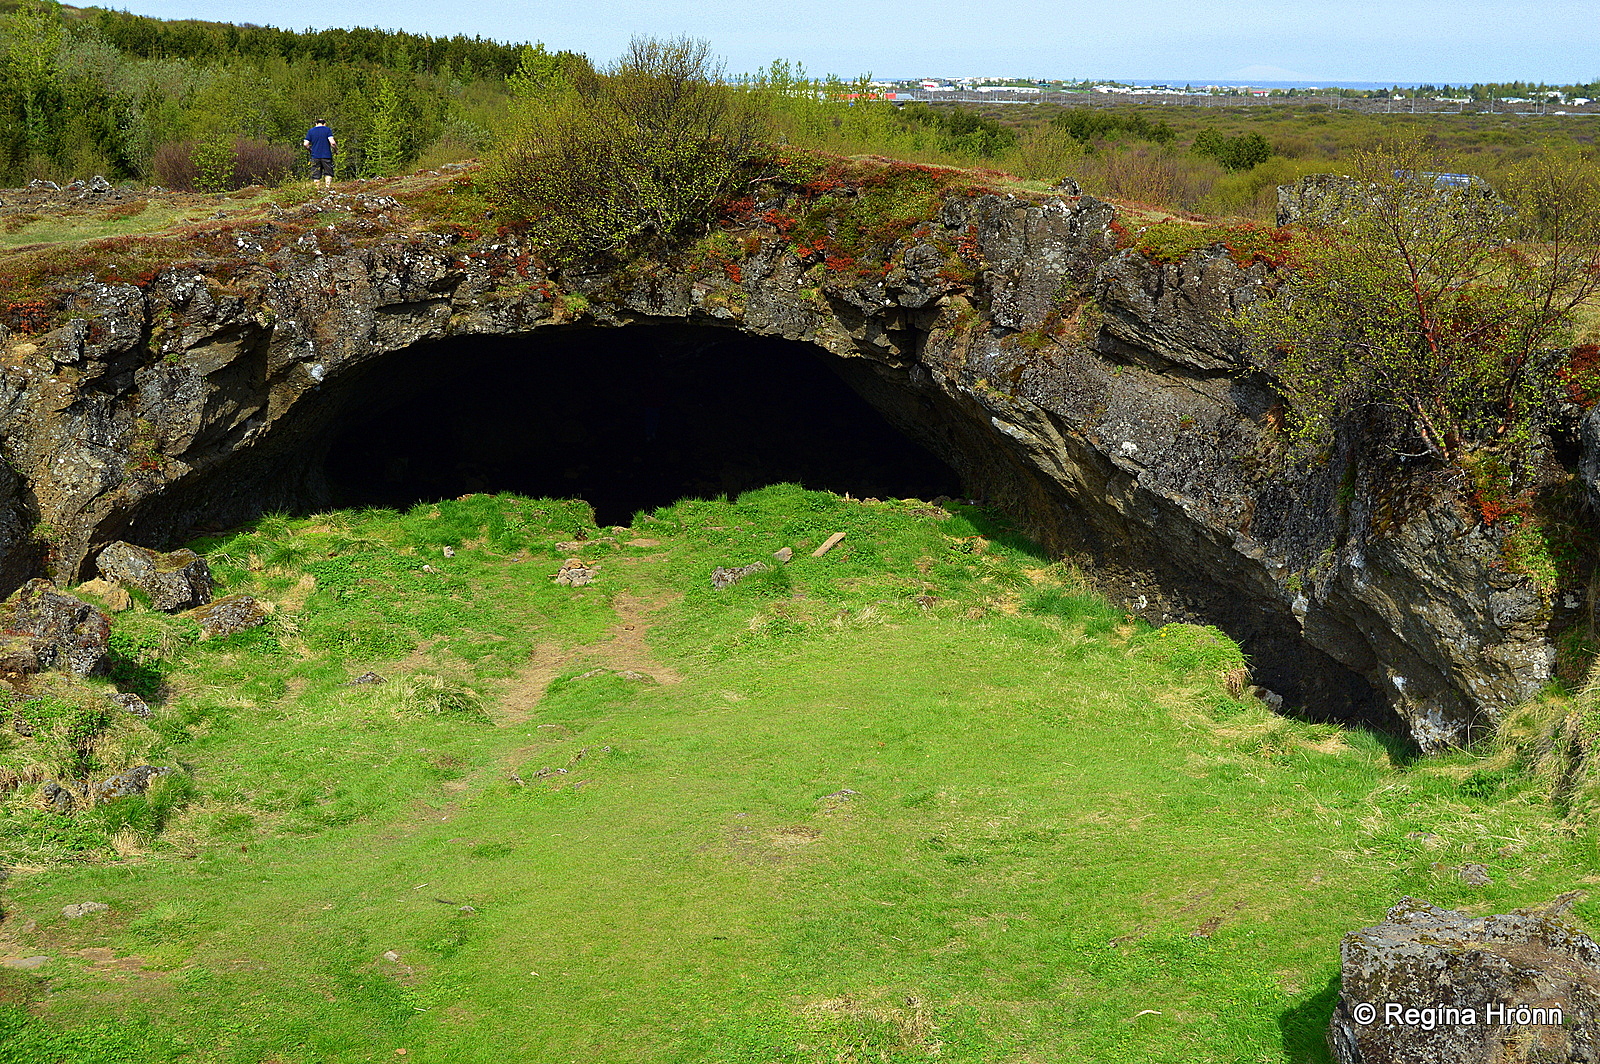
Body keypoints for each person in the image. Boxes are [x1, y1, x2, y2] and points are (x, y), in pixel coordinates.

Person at [303, 120, 336, 188]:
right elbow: (332, 143)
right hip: (326, 155)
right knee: (328, 172)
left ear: (316, 124)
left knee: (316, 174)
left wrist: (310, 150)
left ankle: (317, 189)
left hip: (315, 156)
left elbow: (305, 144)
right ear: (324, 124)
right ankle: (327, 187)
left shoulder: (311, 131)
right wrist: (336, 150)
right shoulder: (327, 130)